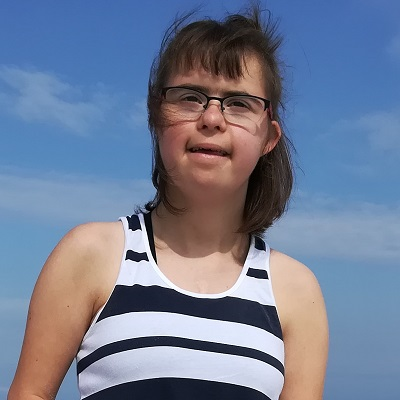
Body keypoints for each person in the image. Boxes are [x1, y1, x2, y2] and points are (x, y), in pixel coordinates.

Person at [8, 3, 328, 400]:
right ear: (156, 117)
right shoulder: (92, 254)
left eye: (239, 103)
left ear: (269, 138)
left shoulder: (296, 290)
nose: (212, 118)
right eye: (190, 98)